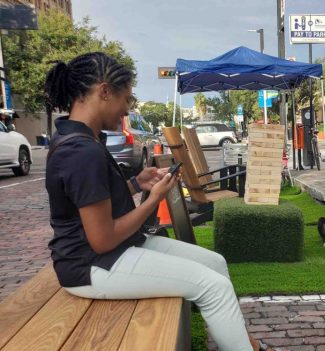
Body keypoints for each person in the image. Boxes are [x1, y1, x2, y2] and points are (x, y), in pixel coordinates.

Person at [44, 52, 270, 351]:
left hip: (114, 251)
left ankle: (244, 343)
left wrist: (136, 183)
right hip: (91, 265)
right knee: (213, 287)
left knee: (215, 263)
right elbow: (102, 238)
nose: (126, 110)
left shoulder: (81, 139)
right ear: (104, 91)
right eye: (126, 99)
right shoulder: (80, 150)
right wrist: (154, 199)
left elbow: (89, 201)